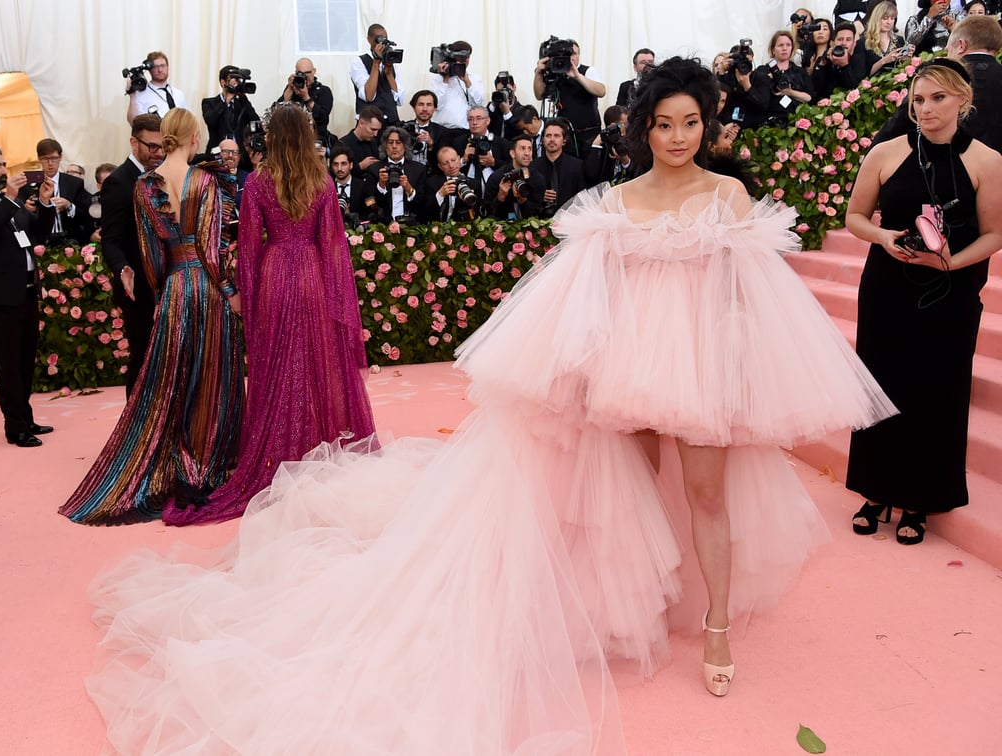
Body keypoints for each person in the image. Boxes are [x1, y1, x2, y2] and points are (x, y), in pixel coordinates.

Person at [78, 58, 895, 753]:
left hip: (704, 368)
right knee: (641, 493)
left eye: (690, 122)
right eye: (663, 124)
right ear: (643, 128)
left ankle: (714, 626)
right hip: (631, 373)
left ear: (708, 124)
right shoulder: (616, 201)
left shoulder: (729, 197)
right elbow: (585, 299)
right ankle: (647, 608)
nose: (677, 136)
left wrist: (740, 366)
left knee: (709, 496)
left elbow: (749, 298)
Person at [170, 104, 378, 526]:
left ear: (271, 138)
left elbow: (246, 245)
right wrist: (338, 296)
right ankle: (318, 444)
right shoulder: (321, 183)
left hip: (273, 275)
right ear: (305, 136)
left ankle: (278, 449)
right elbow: (335, 245)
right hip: (313, 275)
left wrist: (245, 292)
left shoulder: (259, 183)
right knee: (317, 362)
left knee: (279, 363)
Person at [59, 108, 244, 525]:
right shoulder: (209, 179)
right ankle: (209, 468)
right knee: (212, 379)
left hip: (175, 290)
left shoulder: (144, 186)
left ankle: (180, 471)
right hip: (210, 291)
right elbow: (216, 251)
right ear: (194, 137)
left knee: (175, 378)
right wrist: (231, 291)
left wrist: (165, 292)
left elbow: (151, 255)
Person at [845, 59, 1002, 545]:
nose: (925, 108)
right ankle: (875, 491)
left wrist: (950, 265)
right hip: (887, 290)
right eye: (918, 99)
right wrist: (884, 236)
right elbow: (855, 216)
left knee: (937, 393)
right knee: (880, 386)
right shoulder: (886, 153)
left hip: (951, 296)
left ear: (963, 101)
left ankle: (920, 500)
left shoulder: (987, 161)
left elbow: (996, 233)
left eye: (937, 98)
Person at [0, 146, 56, 447]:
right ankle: (15, 426)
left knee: (25, 359)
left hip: (24, 290)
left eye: (4, 164)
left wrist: (46, 205)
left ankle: (26, 416)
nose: (3, 170)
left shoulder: (2, 201)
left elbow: (35, 233)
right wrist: (11, 199)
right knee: (8, 362)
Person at [97, 113, 164, 397]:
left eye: (162, 146)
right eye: (151, 146)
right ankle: (135, 429)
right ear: (133, 142)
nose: (157, 153)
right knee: (143, 357)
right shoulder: (118, 182)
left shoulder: (162, 174)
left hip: (165, 281)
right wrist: (123, 267)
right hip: (137, 287)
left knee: (164, 360)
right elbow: (110, 240)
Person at [872, 15, 1002, 154]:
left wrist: (873, 158)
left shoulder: (941, 76)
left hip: (949, 167)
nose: (948, 54)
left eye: (948, 50)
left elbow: (898, 126)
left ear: (961, 46)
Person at [533, 39, 605, 156]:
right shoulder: (555, 72)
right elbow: (539, 95)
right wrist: (539, 73)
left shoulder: (587, 71)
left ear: (579, 55)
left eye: (574, 54)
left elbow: (601, 91)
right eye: (568, 54)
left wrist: (577, 76)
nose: (571, 58)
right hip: (566, 135)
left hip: (589, 134)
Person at [202, 65, 260, 173]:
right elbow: (211, 121)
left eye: (238, 80)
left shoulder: (241, 104)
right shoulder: (209, 103)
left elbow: (255, 122)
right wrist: (226, 101)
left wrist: (243, 97)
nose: (236, 83)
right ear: (223, 82)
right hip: (217, 154)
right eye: (233, 80)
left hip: (240, 157)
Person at [350, 23, 403, 124]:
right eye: (378, 38)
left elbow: (400, 99)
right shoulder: (359, 62)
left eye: (385, 38)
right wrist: (376, 63)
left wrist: (388, 73)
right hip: (370, 125)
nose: (382, 42)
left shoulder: (391, 61)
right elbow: (368, 96)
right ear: (369, 39)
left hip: (391, 122)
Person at [531, 118, 586, 216]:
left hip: (570, 220)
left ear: (564, 141)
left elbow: (582, 197)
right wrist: (539, 196)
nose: (552, 139)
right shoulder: (533, 167)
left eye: (556, 136)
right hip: (539, 221)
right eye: (548, 136)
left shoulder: (577, 165)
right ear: (543, 140)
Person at [760, 30, 815, 122]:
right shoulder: (763, 71)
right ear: (773, 49)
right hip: (770, 120)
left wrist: (790, 92)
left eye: (788, 45)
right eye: (780, 45)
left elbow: (809, 98)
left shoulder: (800, 72)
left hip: (796, 119)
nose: (784, 48)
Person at [277, 57, 334, 142]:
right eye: (300, 73)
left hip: (316, 138)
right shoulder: (292, 89)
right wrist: (290, 89)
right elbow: (277, 113)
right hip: (291, 138)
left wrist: (306, 97)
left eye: (307, 73)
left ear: (314, 71)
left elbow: (323, 119)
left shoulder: (324, 91)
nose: (305, 76)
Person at [126, 51, 188, 125]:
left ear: (168, 67)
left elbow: (187, 120)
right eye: (155, 67)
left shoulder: (178, 94)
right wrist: (132, 96)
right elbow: (133, 122)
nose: (160, 70)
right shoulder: (140, 94)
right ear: (149, 70)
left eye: (162, 65)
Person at [855, 2, 907, 77]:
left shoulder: (899, 40)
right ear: (876, 19)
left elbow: (902, 69)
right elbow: (861, 75)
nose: (889, 22)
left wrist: (906, 59)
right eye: (885, 18)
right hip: (872, 86)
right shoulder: (863, 42)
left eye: (892, 18)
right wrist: (884, 61)